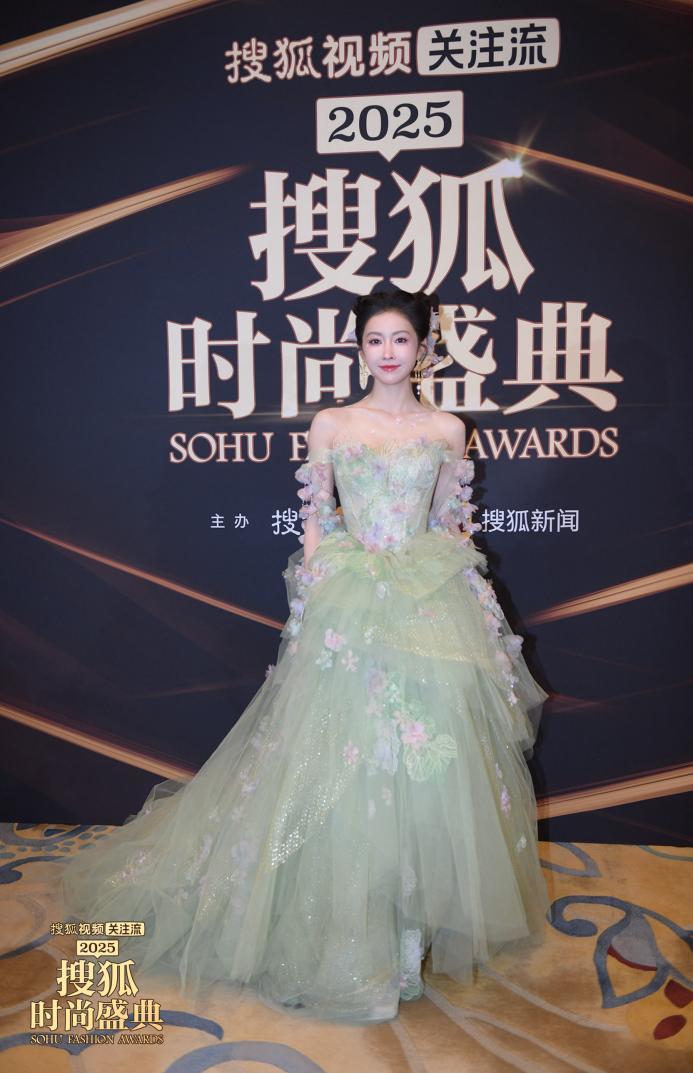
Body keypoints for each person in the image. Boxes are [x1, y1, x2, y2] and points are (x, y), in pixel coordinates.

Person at [59, 286, 550, 1025]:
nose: (387, 352)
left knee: (427, 764)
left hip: (427, 600)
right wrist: (318, 594)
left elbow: (451, 525)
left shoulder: (448, 429)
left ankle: (405, 932)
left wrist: (468, 601)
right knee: (341, 761)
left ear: (424, 347)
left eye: (400, 339)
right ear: (359, 348)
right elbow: (316, 517)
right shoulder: (332, 422)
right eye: (374, 339)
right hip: (350, 598)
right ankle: (347, 937)